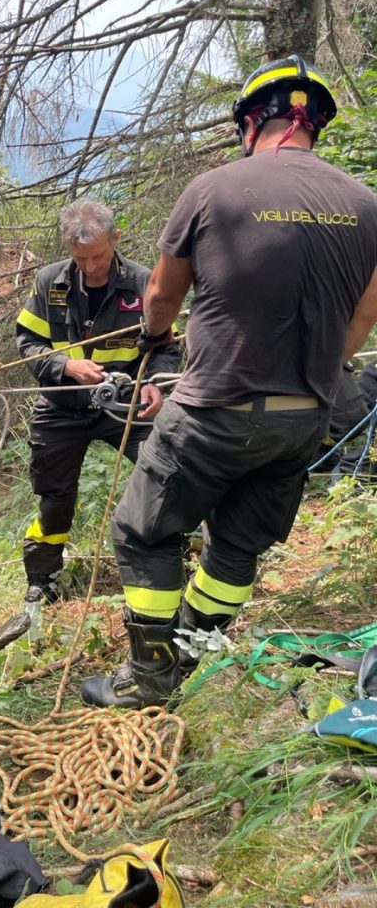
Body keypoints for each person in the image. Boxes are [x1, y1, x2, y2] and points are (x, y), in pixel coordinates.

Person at [80, 54, 377, 710]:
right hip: (304, 418)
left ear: (251, 122)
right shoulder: (367, 206)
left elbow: (162, 296)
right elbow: (363, 317)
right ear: (314, 124)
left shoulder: (213, 189)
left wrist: (153, 342)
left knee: (143, 531)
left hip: (215, 407)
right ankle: (188, 653)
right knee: (239, 544)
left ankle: (150, 677)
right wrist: (317, 372)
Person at [15, 199, 181, 604]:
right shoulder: (49, 282)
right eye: (80, 258)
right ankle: (42, 579)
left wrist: (155, 384)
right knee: (54, 497)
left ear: (116, 238)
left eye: (99, 256)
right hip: (62, 406)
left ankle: (178, 555)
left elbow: (167, 347)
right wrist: (66, 367)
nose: (90, 267)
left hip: (126, 405)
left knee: (169, 475)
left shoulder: (144, 282)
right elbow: (28, 343)